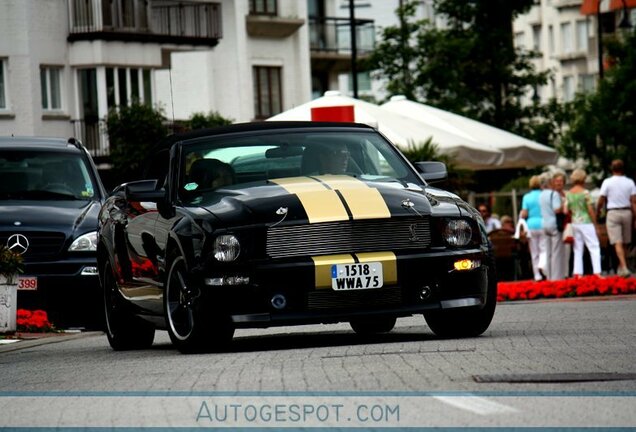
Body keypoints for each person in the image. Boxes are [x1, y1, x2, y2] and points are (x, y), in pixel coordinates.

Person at [596, 159, 636, 277]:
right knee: (625, 241)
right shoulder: (630, 182)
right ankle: (622, 266)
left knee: (617, 241)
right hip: (627, 212)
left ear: (611, 169)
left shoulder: (607, 182)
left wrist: (598, 211)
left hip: (613, 212)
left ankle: (623, 266)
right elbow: (633, 201)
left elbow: (601, 199)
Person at [565, 169, 602, 278]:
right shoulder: (585, 193)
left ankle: (578, 273)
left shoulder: (569, 193)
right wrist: (596, 225)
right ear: (583, 179)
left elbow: (567, 210)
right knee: (594, 246)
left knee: (578, 248)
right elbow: (590, 210)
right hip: (586, 222)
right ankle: (597, 272)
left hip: (575, 222)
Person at [538, 172, 566, 280]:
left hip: (544, 224)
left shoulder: (541, 195)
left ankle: (549, 276)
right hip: (554, 224)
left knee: (548, 252)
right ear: (550, 182)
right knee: (556, 252)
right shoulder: (553, 194)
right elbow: (557, 209)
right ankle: (556, 277)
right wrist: (564, 204)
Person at [520, 175, 545, 281]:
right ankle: (542, 267)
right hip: (543, 224)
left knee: (534, 252)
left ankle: (537, 275)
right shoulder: (544, 195)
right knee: (544, 249)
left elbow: (524, 213)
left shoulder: (526, 197)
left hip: (531, 225)